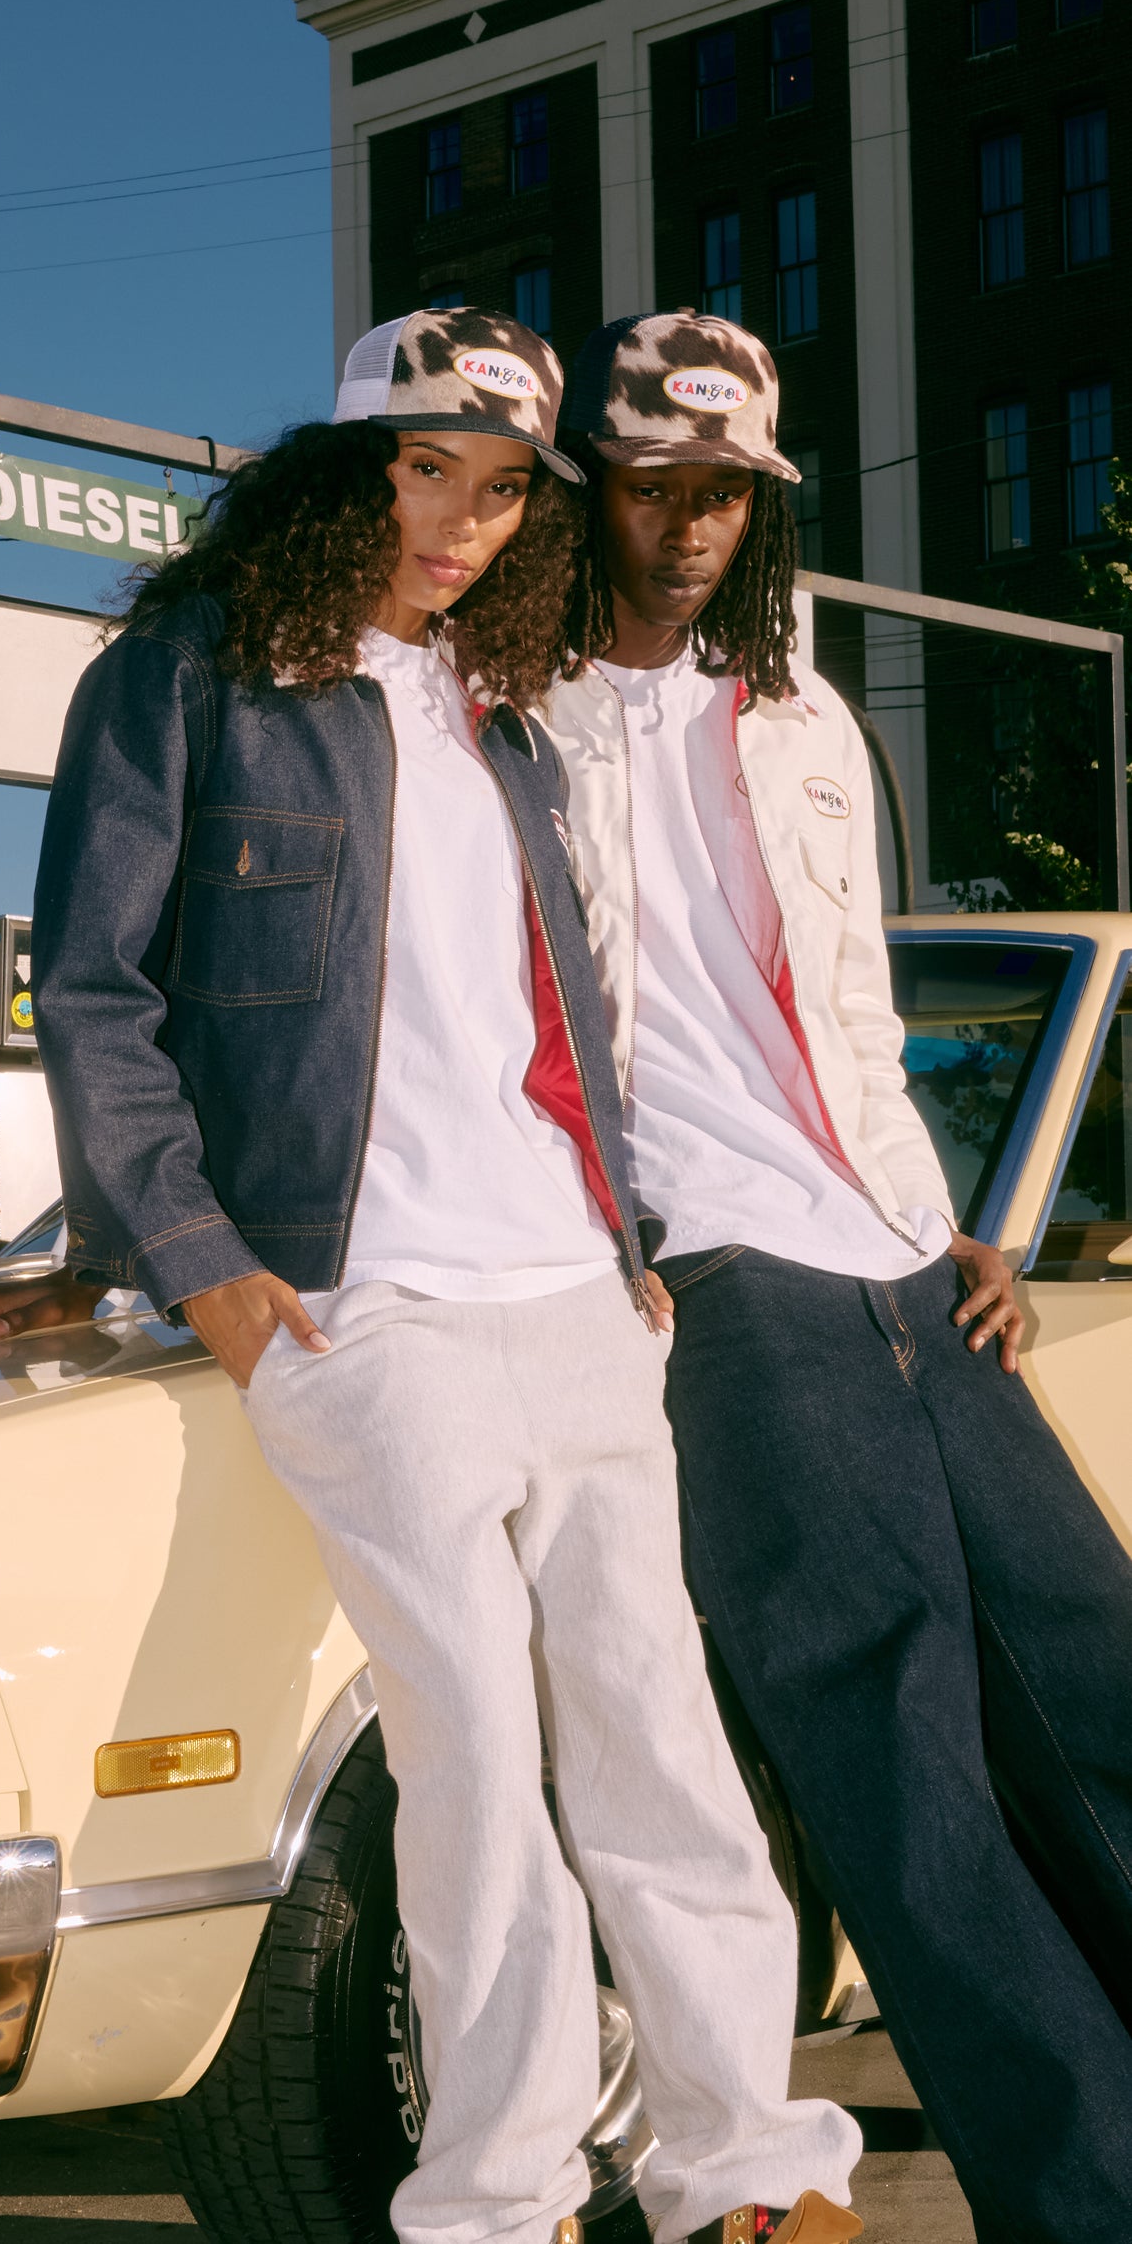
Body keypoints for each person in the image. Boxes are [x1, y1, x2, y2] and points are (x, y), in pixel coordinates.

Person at [16, 310, 862, 2244]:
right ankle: (495, 2198)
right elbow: (95, 991)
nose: (467, 523)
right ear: (346, 467)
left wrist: (625, 1236)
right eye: (429, 473)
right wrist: (209, 1267)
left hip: (568, 1293)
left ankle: (743, 2159)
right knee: (471, 1754)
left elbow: (556, 1012)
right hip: (354, 1302)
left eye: (503, 491)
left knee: (659, 1736)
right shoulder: (190, 679)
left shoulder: (508, 722)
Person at [543, 308, 1132, 2244]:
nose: (692, 522)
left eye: (725, 489)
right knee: (892, 1746)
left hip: (895, 1257)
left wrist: (951, 1210)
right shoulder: (509, 718)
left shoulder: (803, 713)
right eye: (655, 484)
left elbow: (854, 1008)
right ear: (595, 488)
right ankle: (1080, 2191)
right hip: (722, 1277)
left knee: (1091, 1682)